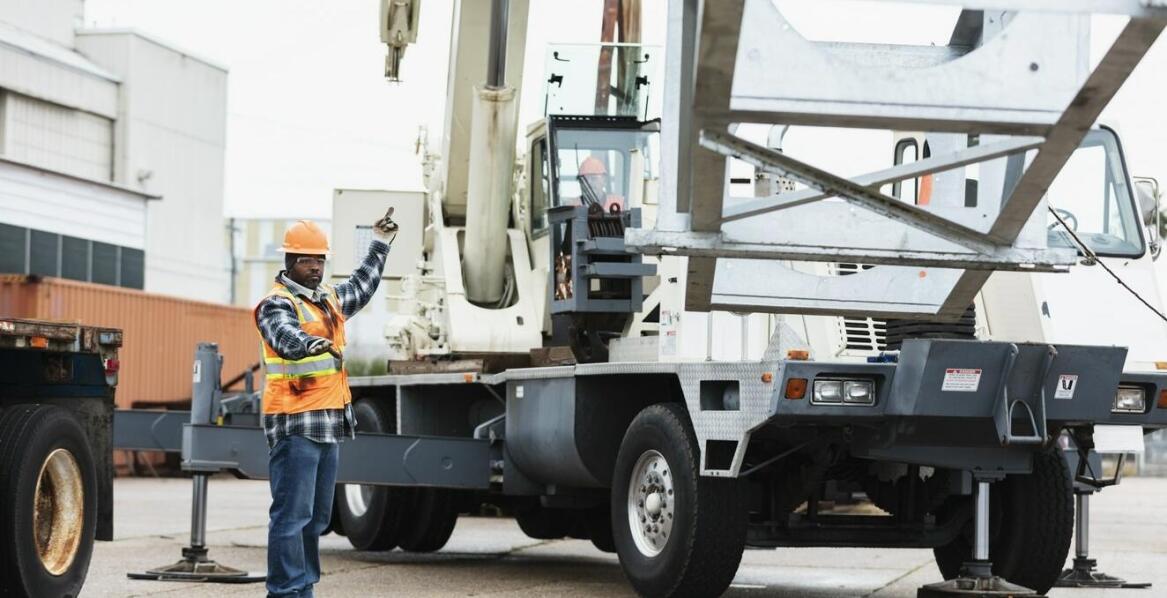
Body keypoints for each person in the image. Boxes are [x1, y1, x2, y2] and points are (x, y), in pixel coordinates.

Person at [254, 212, 397, 598]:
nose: (315, 267)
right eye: (306, 260)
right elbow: (284, 336)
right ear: (288, 263)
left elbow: (361, 287)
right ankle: (285, 592)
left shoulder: (328, 301)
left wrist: (380, 243)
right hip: (295, 426)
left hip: (328, 425)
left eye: (319, 260)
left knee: (315, 519)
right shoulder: (275, 304)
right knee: (291, 517)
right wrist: (308, 344)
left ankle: (304, 589)